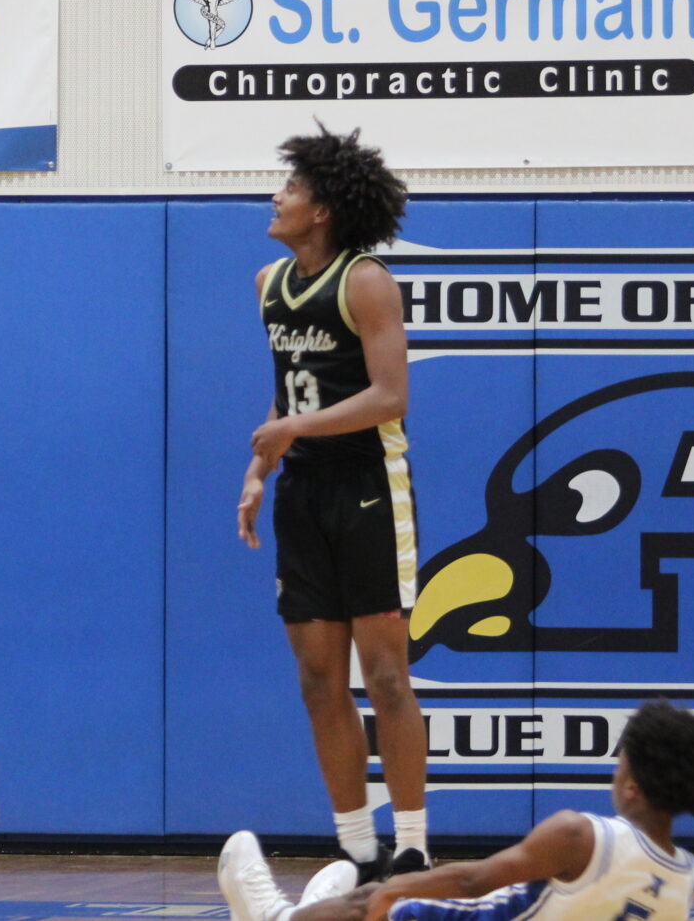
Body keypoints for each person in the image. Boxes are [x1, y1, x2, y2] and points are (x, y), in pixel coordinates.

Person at [235, 126, 423, 879]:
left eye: (291, 187)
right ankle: (355, 847)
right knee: (318, 675)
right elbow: (286, 393)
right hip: (303, 489)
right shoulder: (267, 284)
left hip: (371, 487)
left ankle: (411, 841)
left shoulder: (366, 279)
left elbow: (391, 395)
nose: (276, 196)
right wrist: (259, 466)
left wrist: (291, 428)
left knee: (385, 674)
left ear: (323, 209)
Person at [217, 699, 694, 921]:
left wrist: (390, 889)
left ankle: (277, 917)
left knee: (372, 900)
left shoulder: (580, 835)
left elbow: (473, 882)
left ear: (631, 786)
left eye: (620, 762)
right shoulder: (687, 877)